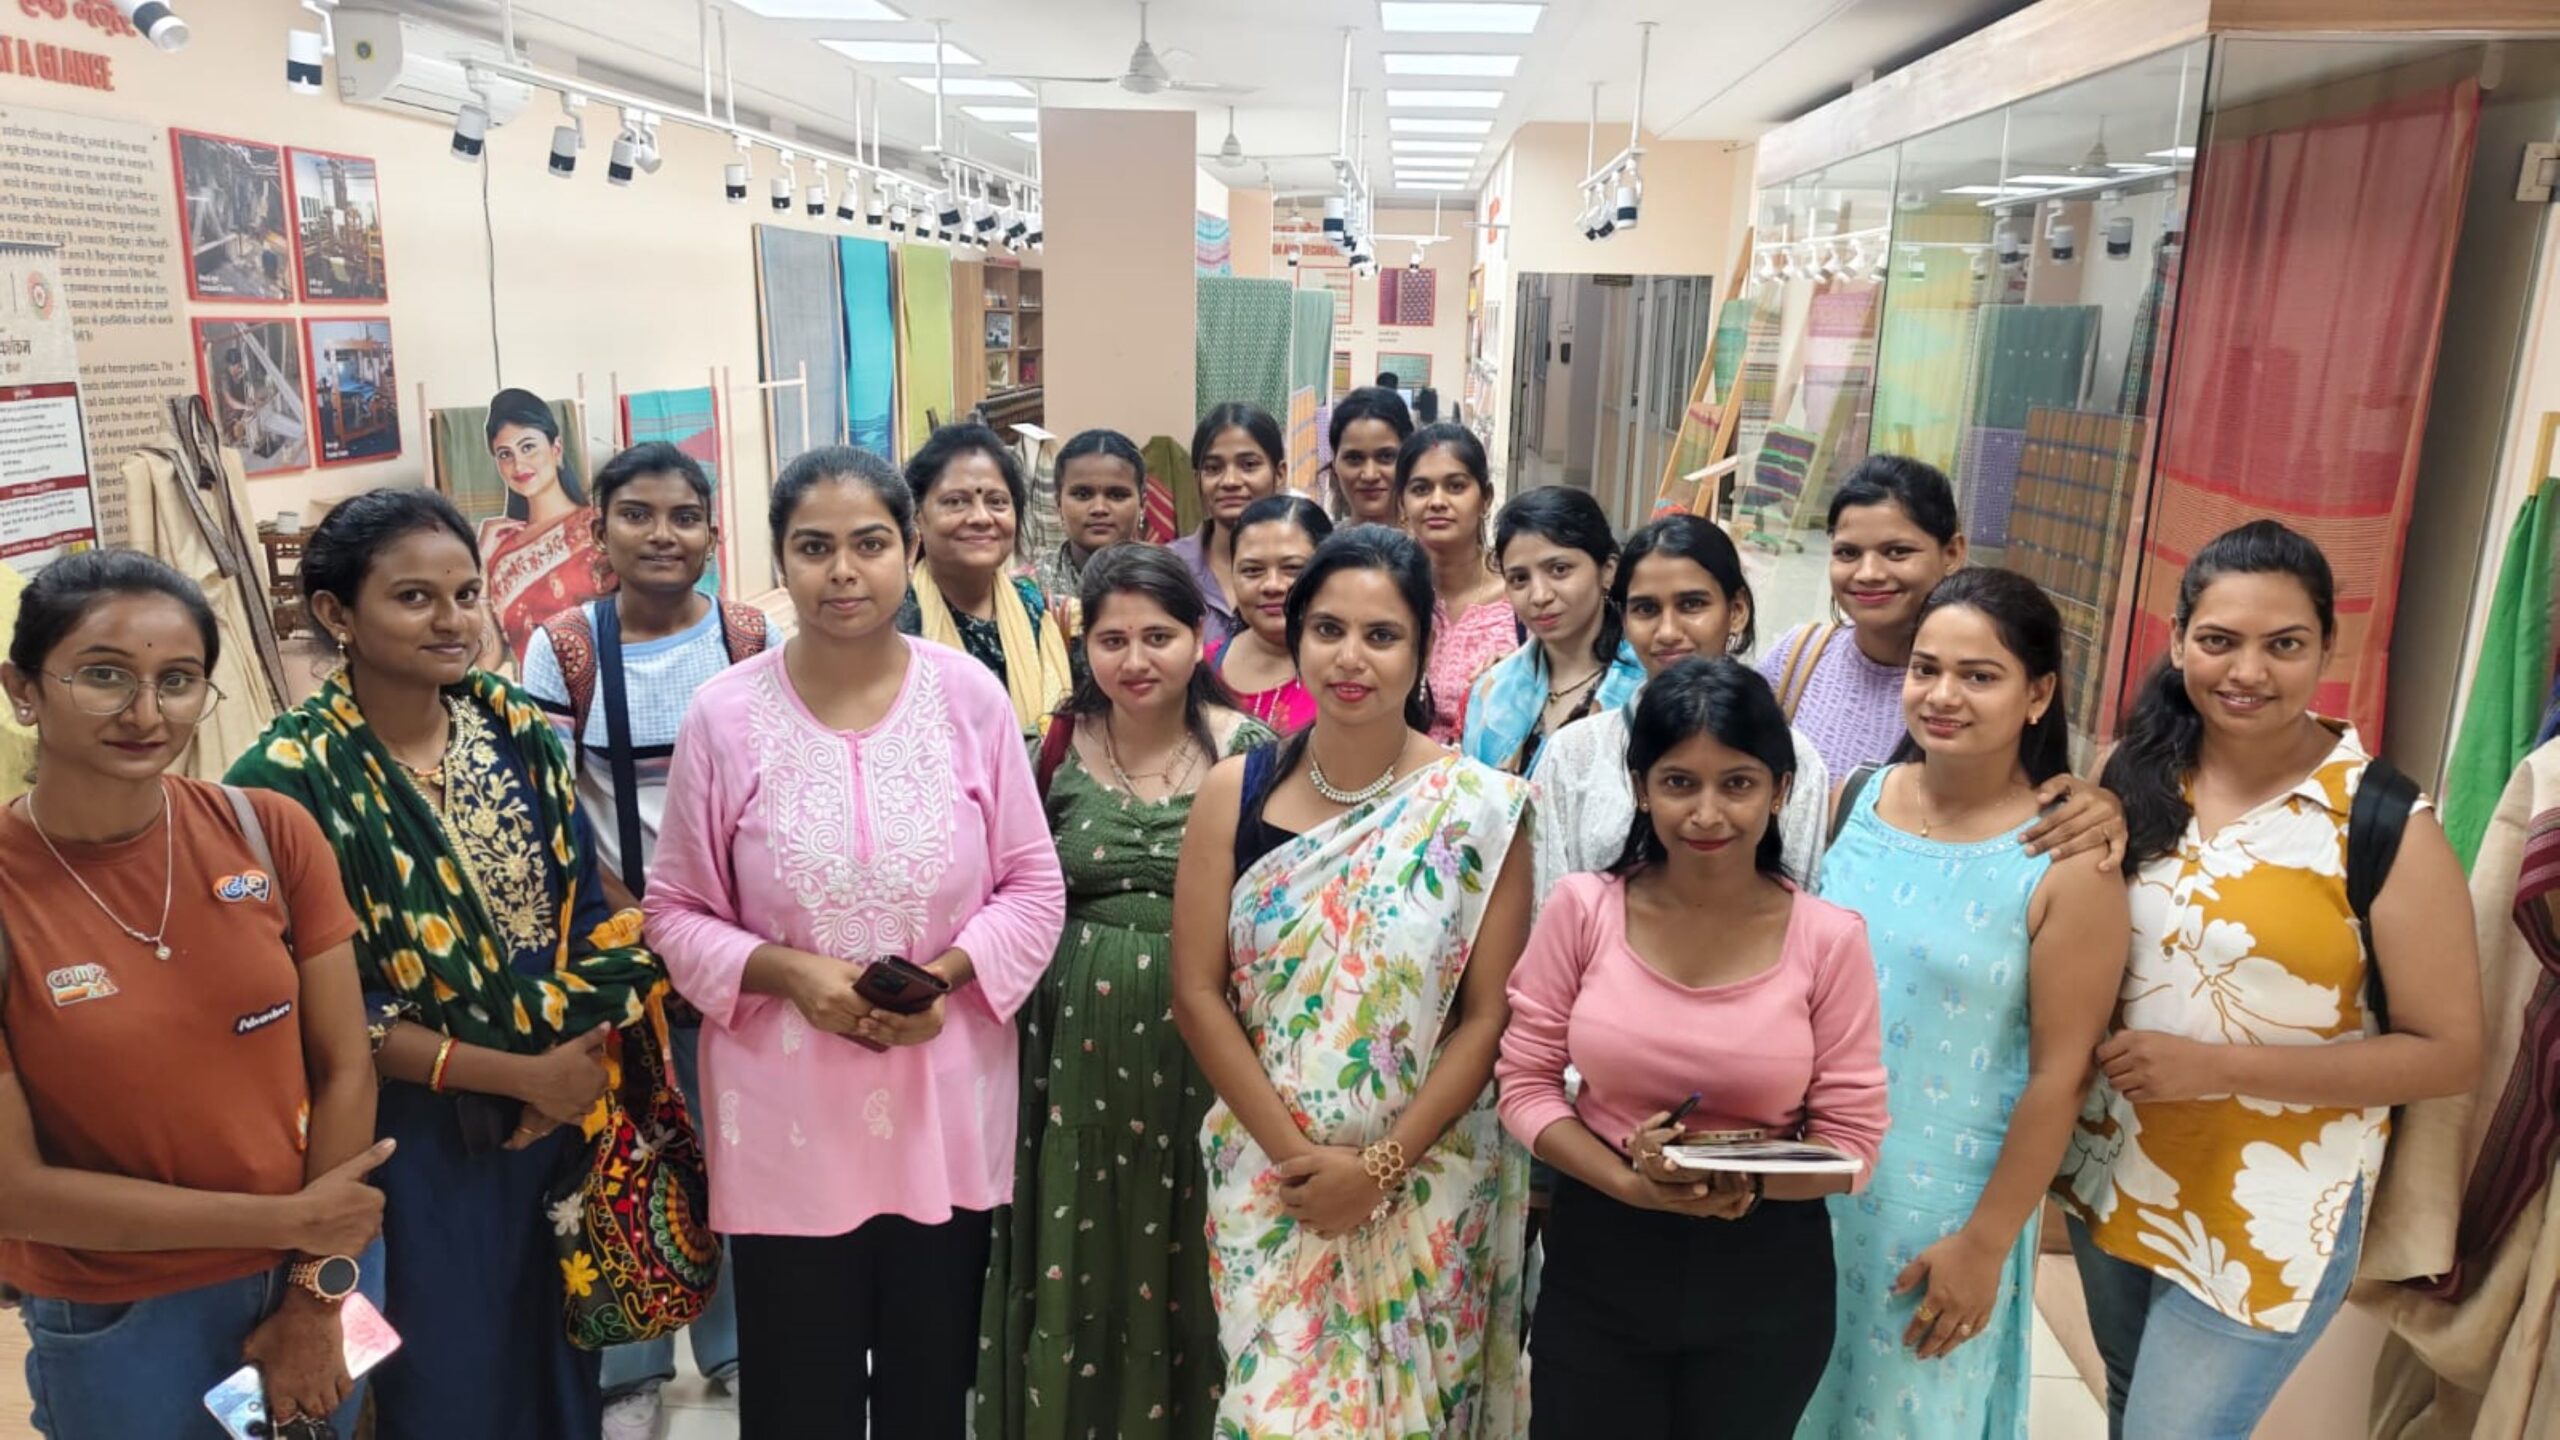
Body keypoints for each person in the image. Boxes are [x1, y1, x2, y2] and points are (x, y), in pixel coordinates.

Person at [227, 487, 669, 1440]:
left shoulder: (517, 735)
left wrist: (569, 1073)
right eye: (414, 597)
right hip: (404, 1143)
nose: (452, 620)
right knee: (441, 1379)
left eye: (466, 595)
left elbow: (590, 922)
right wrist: (517, 1076)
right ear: (336, 613)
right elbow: (321, 1016)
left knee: (556, 1364)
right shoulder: (282, 787)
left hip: (553, 1120)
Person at [645, 445, 1066, 1440]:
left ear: (908, 549)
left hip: (941, 1099)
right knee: (800, 1395)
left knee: (930, 1389)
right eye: (814, 547)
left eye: (869, 544)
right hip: (784, 1110)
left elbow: (1032, 885)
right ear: (777, 561)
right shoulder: (724, 715)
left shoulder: (968, 697)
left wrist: (944, 979)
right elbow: (676, 909)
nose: (843, 572)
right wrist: (789, 974)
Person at [2058, 521, 2483, 1439]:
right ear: (2178, 641)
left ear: (2327, 648)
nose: (2247, 671)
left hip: (2272, 1215)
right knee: (2132, 1410)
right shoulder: (2134, 773)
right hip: (2115, 1171)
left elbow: (2449, 1054)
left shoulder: (2383, 823)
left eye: (2283, 645)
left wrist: (2218, 1068)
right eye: (2219, 640)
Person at [0, 551, 388, 1438]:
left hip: (315, 1275)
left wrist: (312, 1290)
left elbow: (344, 1068)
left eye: (177, 681)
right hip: (123, 1313)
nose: (146, 713)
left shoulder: (267, 830)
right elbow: (14, 1191)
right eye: (104, 675)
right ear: (23, 690)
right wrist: (290, 1220)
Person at [1172, 523, 1535, 1438]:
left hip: (1423, 1184)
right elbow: (1199, 994)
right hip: (1273, 1185)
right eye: (1328, 629)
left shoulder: (1482, 810)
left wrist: (1378, 1169)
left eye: (1382, 635)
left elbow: (1486, 1018)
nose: (1351, 658)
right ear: (1295, 635)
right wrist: (1301, 1164)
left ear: (1421, 650)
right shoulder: (1233, 792)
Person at [1498, 658, 1887, 1439]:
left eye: (1738, 784)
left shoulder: (1829, 939)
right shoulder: (1584, 910)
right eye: (1679, 783)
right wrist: (1629, 1178)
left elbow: (1852, 1146)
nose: (1708, 813)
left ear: (1780, 791)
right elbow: (1525, 1084)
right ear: (1641, 788)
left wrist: (1728, 1175)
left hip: (1766, 1277)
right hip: (1601, 1255)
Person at [1797, 568, 2130, 1440]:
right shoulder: (1856, 799)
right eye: (1926, 669)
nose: (1942, 696)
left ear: (2038, 694)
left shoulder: (2066, 861)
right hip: (1812, 1186)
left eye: (1979, 676)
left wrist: (1985, 1244)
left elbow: (2062, 1076)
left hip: (1942, 1212)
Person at [979, 546, 1272, 1440]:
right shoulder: (1052, 748)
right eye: (1113, 640)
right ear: (1085, 645)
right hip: (1066, 1055)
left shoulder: (1252, 754)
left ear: (1199, 637)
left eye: (1159, 636)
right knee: (1078, 1237)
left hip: (1208, 1050)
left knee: (1196, 1231)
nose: (1135, 659)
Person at [518, 441, 766, 1440]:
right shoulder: (564, 648)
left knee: (730, 1140)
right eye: (637, 515)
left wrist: (713, 928)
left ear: (712, 530)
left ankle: (735, 1346)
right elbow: (548, 805)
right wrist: (639, 922)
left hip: (734, 940)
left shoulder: (748, 638)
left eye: (684, 516)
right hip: (614, 940)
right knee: (624, 1148)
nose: (662, 535)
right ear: (599, 531)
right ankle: (630, 1362)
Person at [1533, 515, 1831, 895]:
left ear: (1737, 610)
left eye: (1692, 605)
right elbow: (1550, 904)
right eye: (1646, 609)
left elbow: (1797, 904)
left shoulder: (1795, 761)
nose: (1668, 632)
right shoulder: (1573, 755)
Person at [1758, 454, 1967, 777]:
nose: (1868, 573)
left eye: (1897, 552)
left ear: (1951, 553)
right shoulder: (1796, 658)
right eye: (1848, 553)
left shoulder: (1981, 685)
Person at [896, 421, 1073, 737]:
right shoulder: (895, 621)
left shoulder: (1034, 609)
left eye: (997, 502)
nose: (980, 517)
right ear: (917, 516)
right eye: (955, 501)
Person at [1463, 486, 1643, 776]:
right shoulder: (1492, 690)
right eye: (1520, 579)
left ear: (1608, 570)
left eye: (1559, 569)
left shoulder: (1645, 689)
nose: (1540, 596)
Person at [1399, 423, 1519, 745]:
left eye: (1455, 486)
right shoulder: (1394, 597)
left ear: (1485, 499)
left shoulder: (1520, 598)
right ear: (1402, 504)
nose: (1437, 501)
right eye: (1421, 489)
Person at [477, 387, 609, 664]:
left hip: (608, 684)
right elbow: (486, 663)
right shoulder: (500, 552)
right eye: (505, 454)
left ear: (556, 449)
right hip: (537, 691)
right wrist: (481, 564)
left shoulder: (600, 527)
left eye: (528, 447)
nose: (518, 464)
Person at [1168, 404, 1286, 651]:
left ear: (1279, 474)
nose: (1230, 481)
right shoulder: (1169, 567)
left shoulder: (1312, 565)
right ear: (1197, 480)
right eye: (1213, 468)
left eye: (1249, 465)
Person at [1211, 495, 1330, 735]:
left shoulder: (1349, 670)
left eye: (1292, 568)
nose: (1272, 585)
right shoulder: (1201, 667)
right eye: (1252, 570)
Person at [1031, 428, 1148, 649]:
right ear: (1058, 502)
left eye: (1117, 495)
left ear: (1143, 504)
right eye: (1082, 494)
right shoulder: (1029, 588)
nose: (1099, 508)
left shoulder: (1165, 581)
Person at [1323, 386, 1414, 526]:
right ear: (1335, 463)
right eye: (1354, 459)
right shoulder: (1315, 540)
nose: (1370, 475)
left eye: (1386, 457)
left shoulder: (1434, 540)